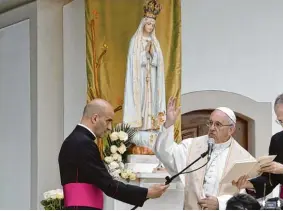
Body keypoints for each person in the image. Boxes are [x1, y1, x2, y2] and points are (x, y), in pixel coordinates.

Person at [58, 99, 169, 210]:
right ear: (95, 118)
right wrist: (147, 193)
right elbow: (109, 185)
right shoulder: (83, 143)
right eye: (108, 121)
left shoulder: (75, 140)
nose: (110, 127)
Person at [154, 97, 256, 210]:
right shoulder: (192, 146)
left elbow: (245, 197)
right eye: (210, 123)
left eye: (218, 124)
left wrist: (220, 204)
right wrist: (169, 124)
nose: (212, 128)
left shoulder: (243, 158)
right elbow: (166, 153)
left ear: (231, 130)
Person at [123, 0, 166, 149]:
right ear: (143, 24)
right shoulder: (135, 41)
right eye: (149, 24)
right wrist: (143, 54)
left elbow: (159, 63)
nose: (151, 27)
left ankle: (151, 127)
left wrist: (152, 54)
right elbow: (133, 62)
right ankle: (139, 128)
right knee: (141, 103)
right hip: (139, 80)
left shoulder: (155, 42)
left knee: (151, 104)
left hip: (152, 82)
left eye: (153, 25)